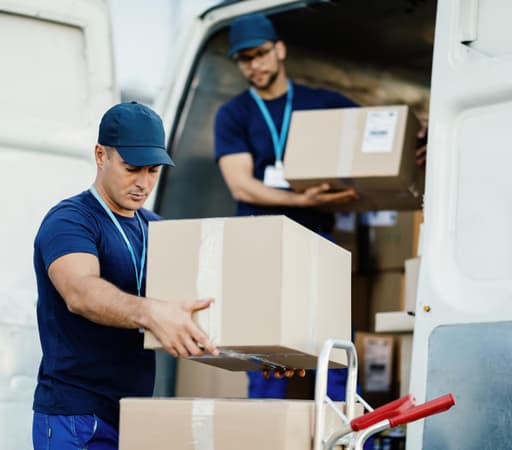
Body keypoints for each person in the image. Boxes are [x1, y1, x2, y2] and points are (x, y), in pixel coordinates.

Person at [213, 14, 426, 402]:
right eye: (244, 59)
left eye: (260, 54)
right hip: (261, 241)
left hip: (315, 239)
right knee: (267, 352)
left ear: (280, 49)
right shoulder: (234, 113)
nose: (254, 65)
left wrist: (416, 139)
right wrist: (301, 200)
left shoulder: (323, 103)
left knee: (332, 348)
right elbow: (240, 184)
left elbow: (377, 138)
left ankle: (345, 434)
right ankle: (266, 436)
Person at [32, 101, 218, 450]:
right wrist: (150, 312)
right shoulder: (70, 221)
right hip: (77, 417)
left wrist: (263, 356)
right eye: (132, 168)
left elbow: (204, 306)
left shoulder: (158, 229)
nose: (143, 184)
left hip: (133, 416)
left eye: (153, 171)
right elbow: (80, 292)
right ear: (101, 155)